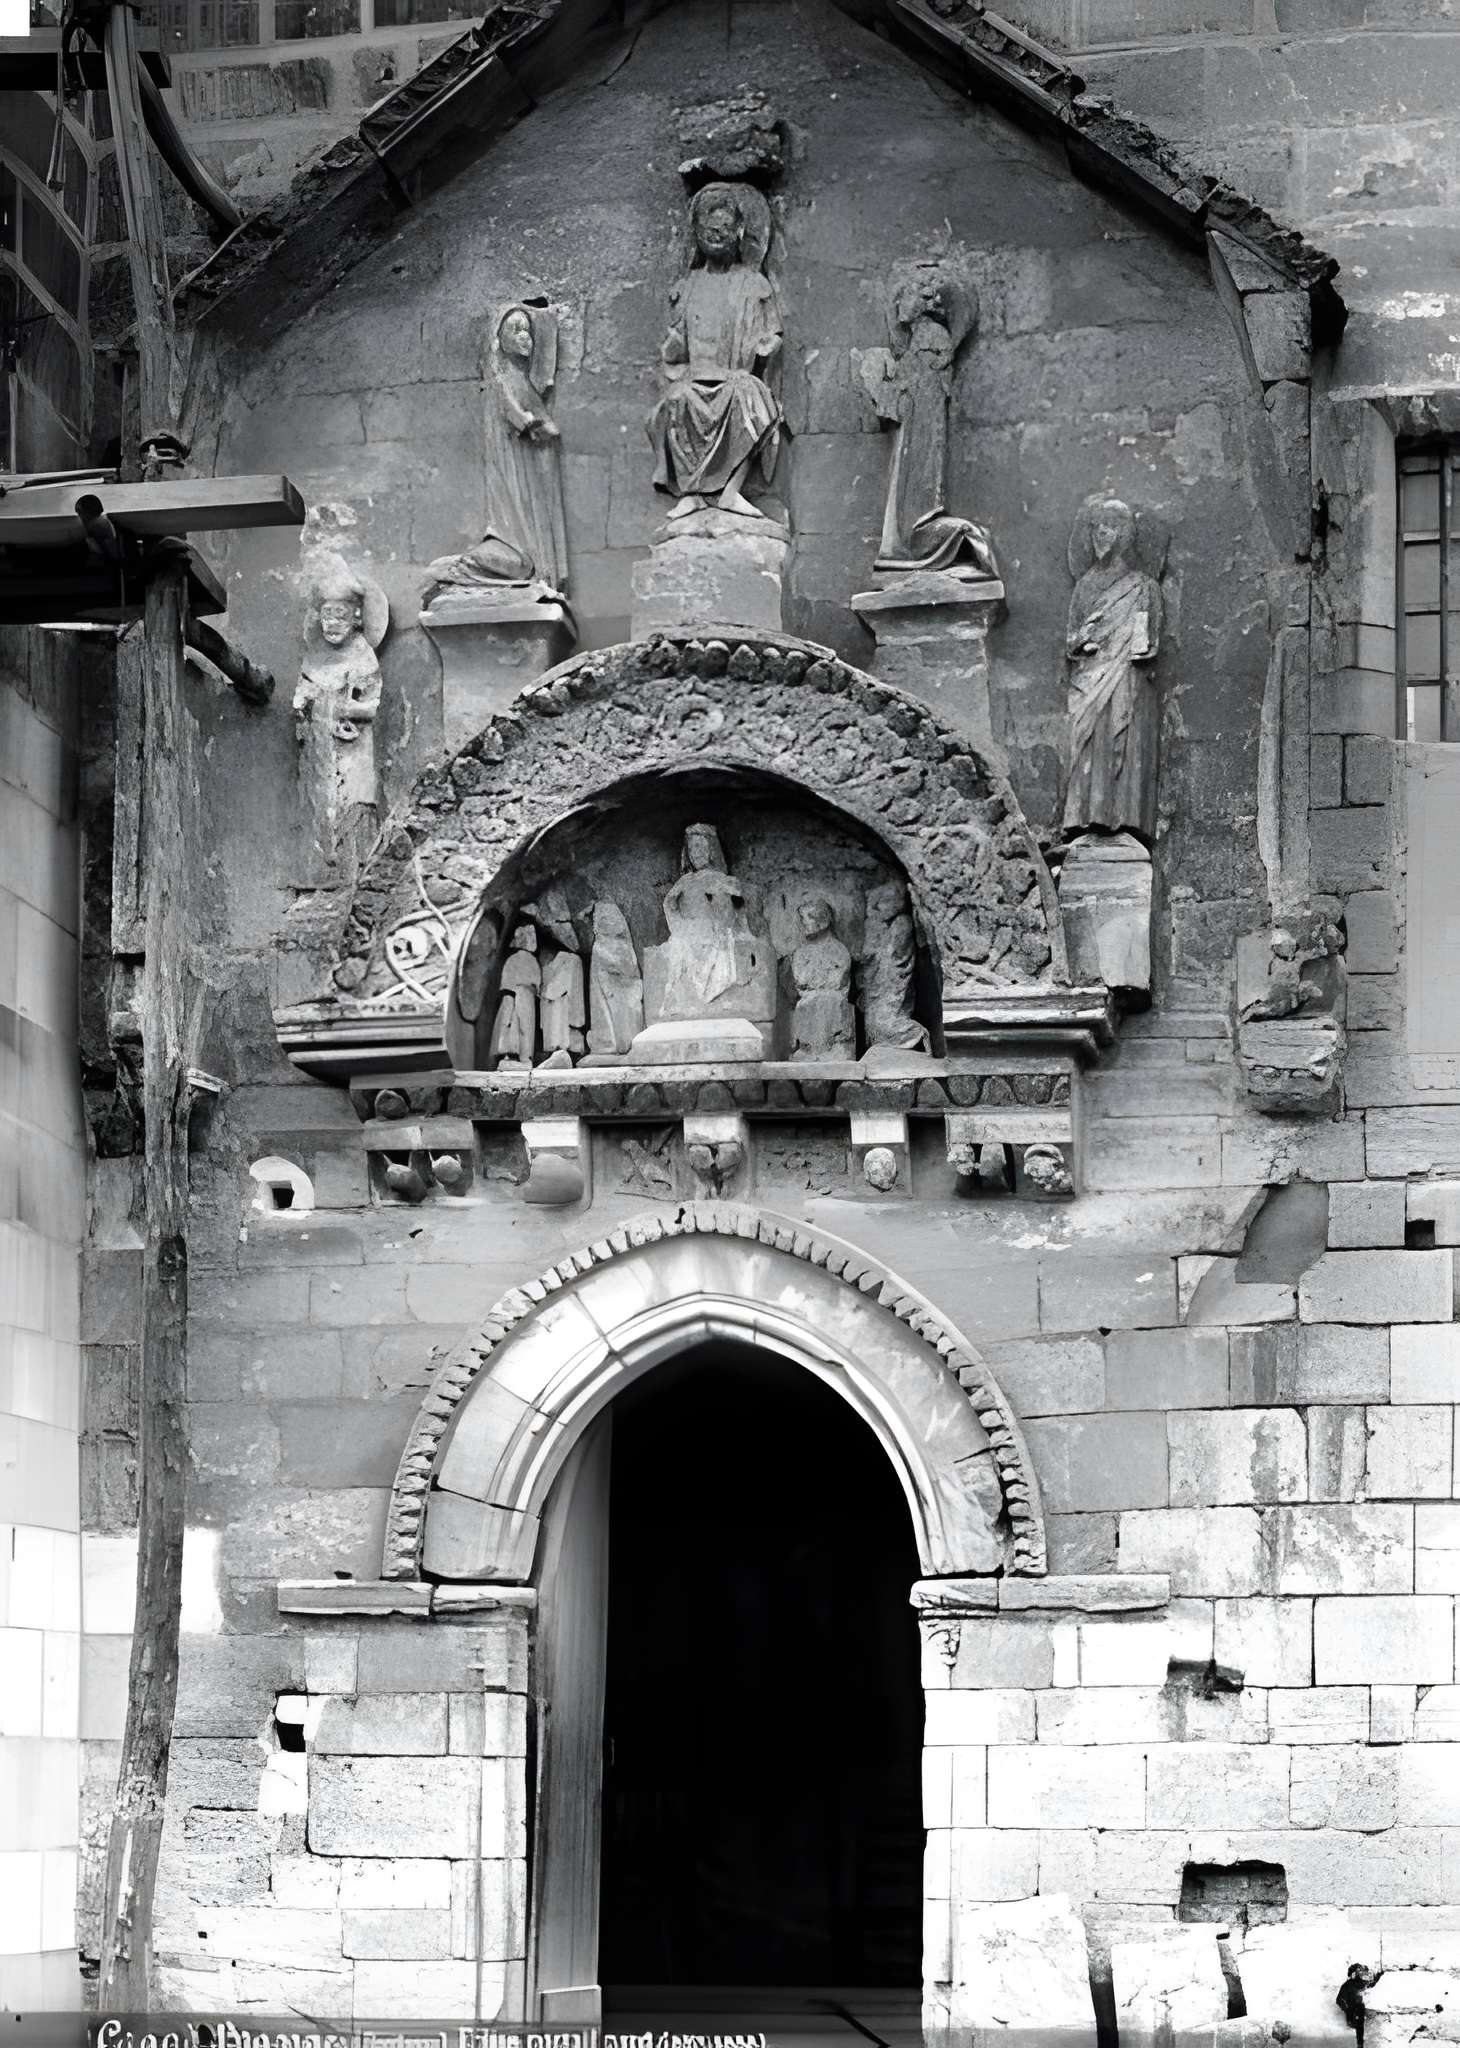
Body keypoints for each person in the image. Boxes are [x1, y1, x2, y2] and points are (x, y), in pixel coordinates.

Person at [649, 184, 783, 520]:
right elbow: (674, 346)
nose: (717, 237)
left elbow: (771, 333)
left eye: (725, 229)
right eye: (709, 230)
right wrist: (676, 353)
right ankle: (692, 492)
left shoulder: (754, 284)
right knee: (676, 401)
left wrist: (769, 344)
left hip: (735, 378)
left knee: (749, 398)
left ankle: (731, 491)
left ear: (739, 232)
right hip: (695, 380)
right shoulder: (687, 286)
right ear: (697, 233)